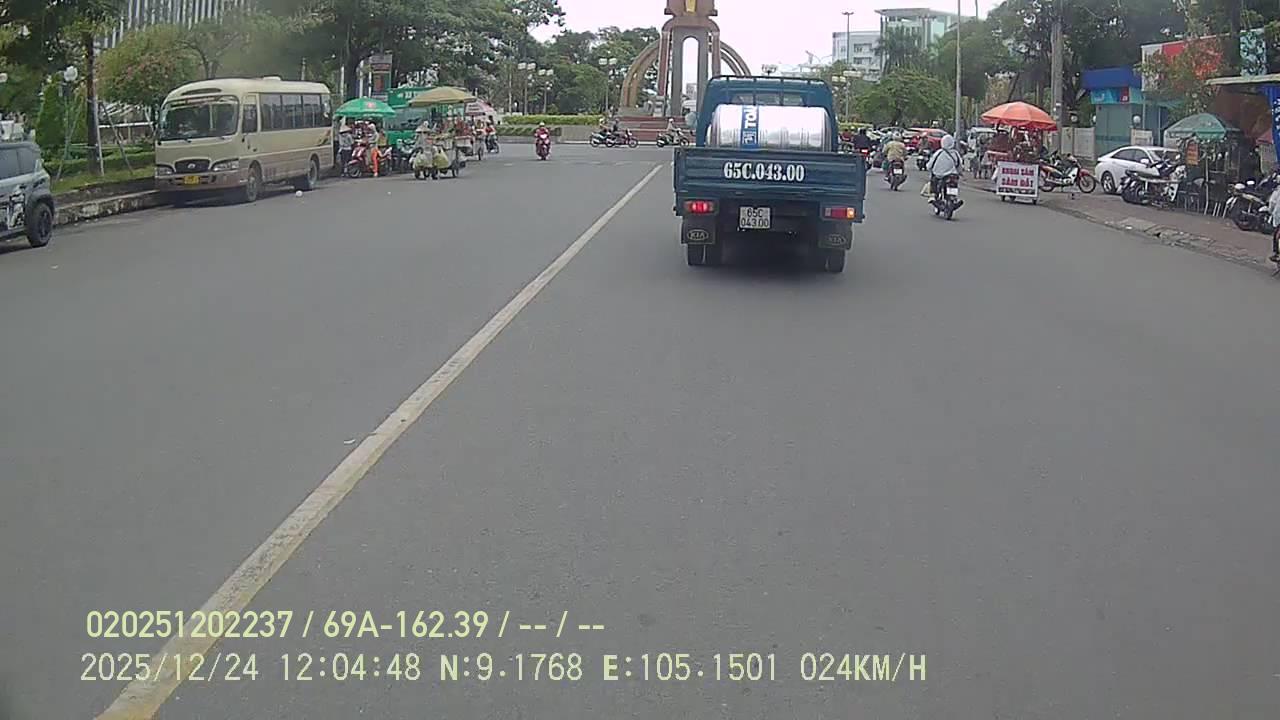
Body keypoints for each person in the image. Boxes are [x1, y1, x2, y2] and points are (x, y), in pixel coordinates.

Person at [925, 134, 963, 203]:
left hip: (939, 175)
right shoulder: (955, 153)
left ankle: (933, 195)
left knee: (933, 180)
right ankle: (954, 197)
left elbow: (931, 164)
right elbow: (959, 164)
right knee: (954, 182)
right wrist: (960, 172)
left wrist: (929, 168)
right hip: (952, 174)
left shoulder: (939, 153)